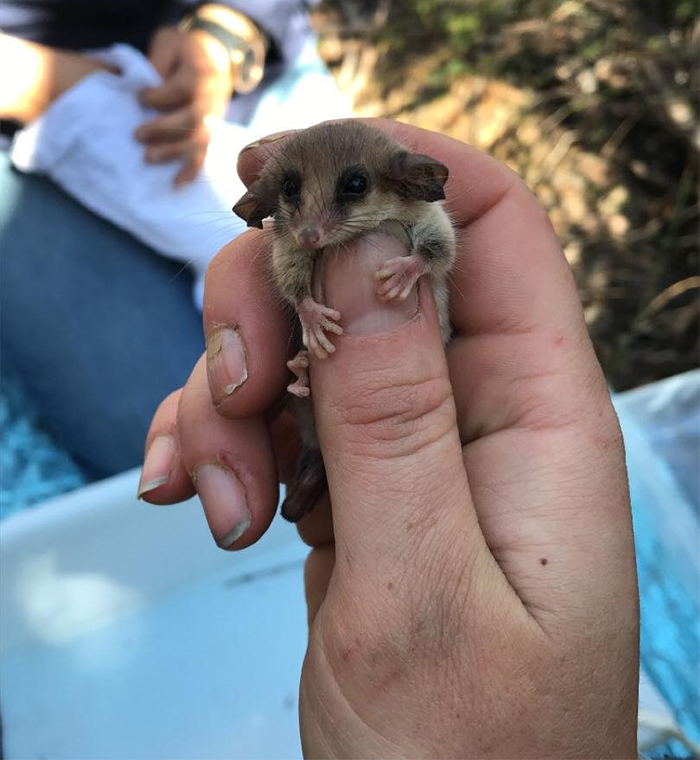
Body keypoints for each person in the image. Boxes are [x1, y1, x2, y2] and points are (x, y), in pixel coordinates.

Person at [141, 120, 640, 757]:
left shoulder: (416, 212)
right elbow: (292, 268)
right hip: (337, 403)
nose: (312, 226)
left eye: (349, 191)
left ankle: (313, 449)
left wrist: (410, 264)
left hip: (437, 379)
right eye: (293, 198)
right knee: (298, 368)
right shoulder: (297, 238)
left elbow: (436, 243)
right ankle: (312, 435)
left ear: (402, 184)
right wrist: (307, 309)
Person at [0, 0, 363, 480]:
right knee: (198, 442)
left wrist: (229, 31)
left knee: (349, 351)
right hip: (20, 97)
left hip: (225, 40)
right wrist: (49, 83)